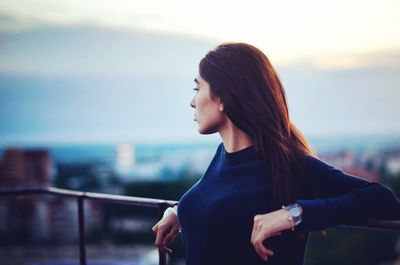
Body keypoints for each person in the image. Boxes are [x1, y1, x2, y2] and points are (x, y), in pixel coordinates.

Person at [152, 43, 400, 265]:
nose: (192, 102)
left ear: (223, 98)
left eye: (197, 89)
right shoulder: (223, 156)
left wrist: (293, 214)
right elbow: (217, 198)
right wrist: (178, 210)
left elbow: (383, 199)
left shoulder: (288, 164)